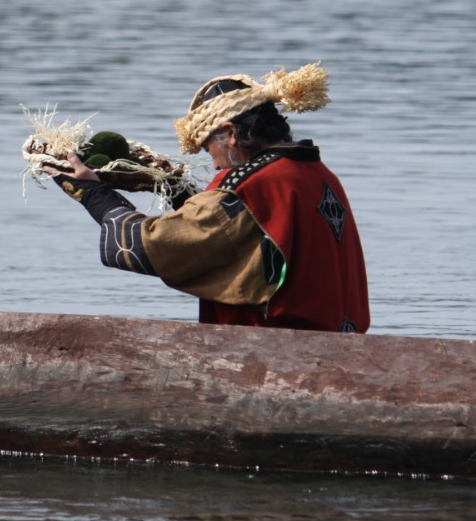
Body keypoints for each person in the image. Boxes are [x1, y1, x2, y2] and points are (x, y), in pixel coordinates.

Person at [49, 62, 368, 332]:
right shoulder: (313, 173)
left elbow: (149, 245)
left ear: (230, 134)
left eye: (209, 148)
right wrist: (170, 188)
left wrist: (92, 193)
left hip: (275, 353)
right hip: (333, 346)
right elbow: (240, 231)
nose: (214, 162)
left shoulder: (249, 185)